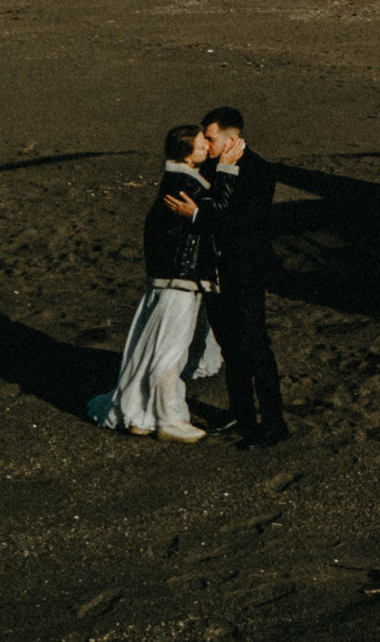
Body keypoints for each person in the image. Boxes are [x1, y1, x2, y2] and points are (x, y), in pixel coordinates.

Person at [90, 125, 223, 442]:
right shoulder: (187, 184)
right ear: (187, 153)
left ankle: (140, 414)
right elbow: (221, 214)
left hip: (168, 279)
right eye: (201, 143)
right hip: (179, 281)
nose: (206, 145)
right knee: (169, 350)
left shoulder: (177, 180)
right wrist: (229, 168)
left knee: (153, 347)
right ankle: (168, 418)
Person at [198, 106, 288, 446]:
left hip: (246, 271)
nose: (205, 145)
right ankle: (243, 414)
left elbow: (235, 221)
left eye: (210, 138)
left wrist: (224, 172)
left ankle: (274, 422)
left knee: (254, 345)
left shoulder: (258, 171)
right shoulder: (212, 166)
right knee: (230, 347)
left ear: (231, 138)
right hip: (218, 271)